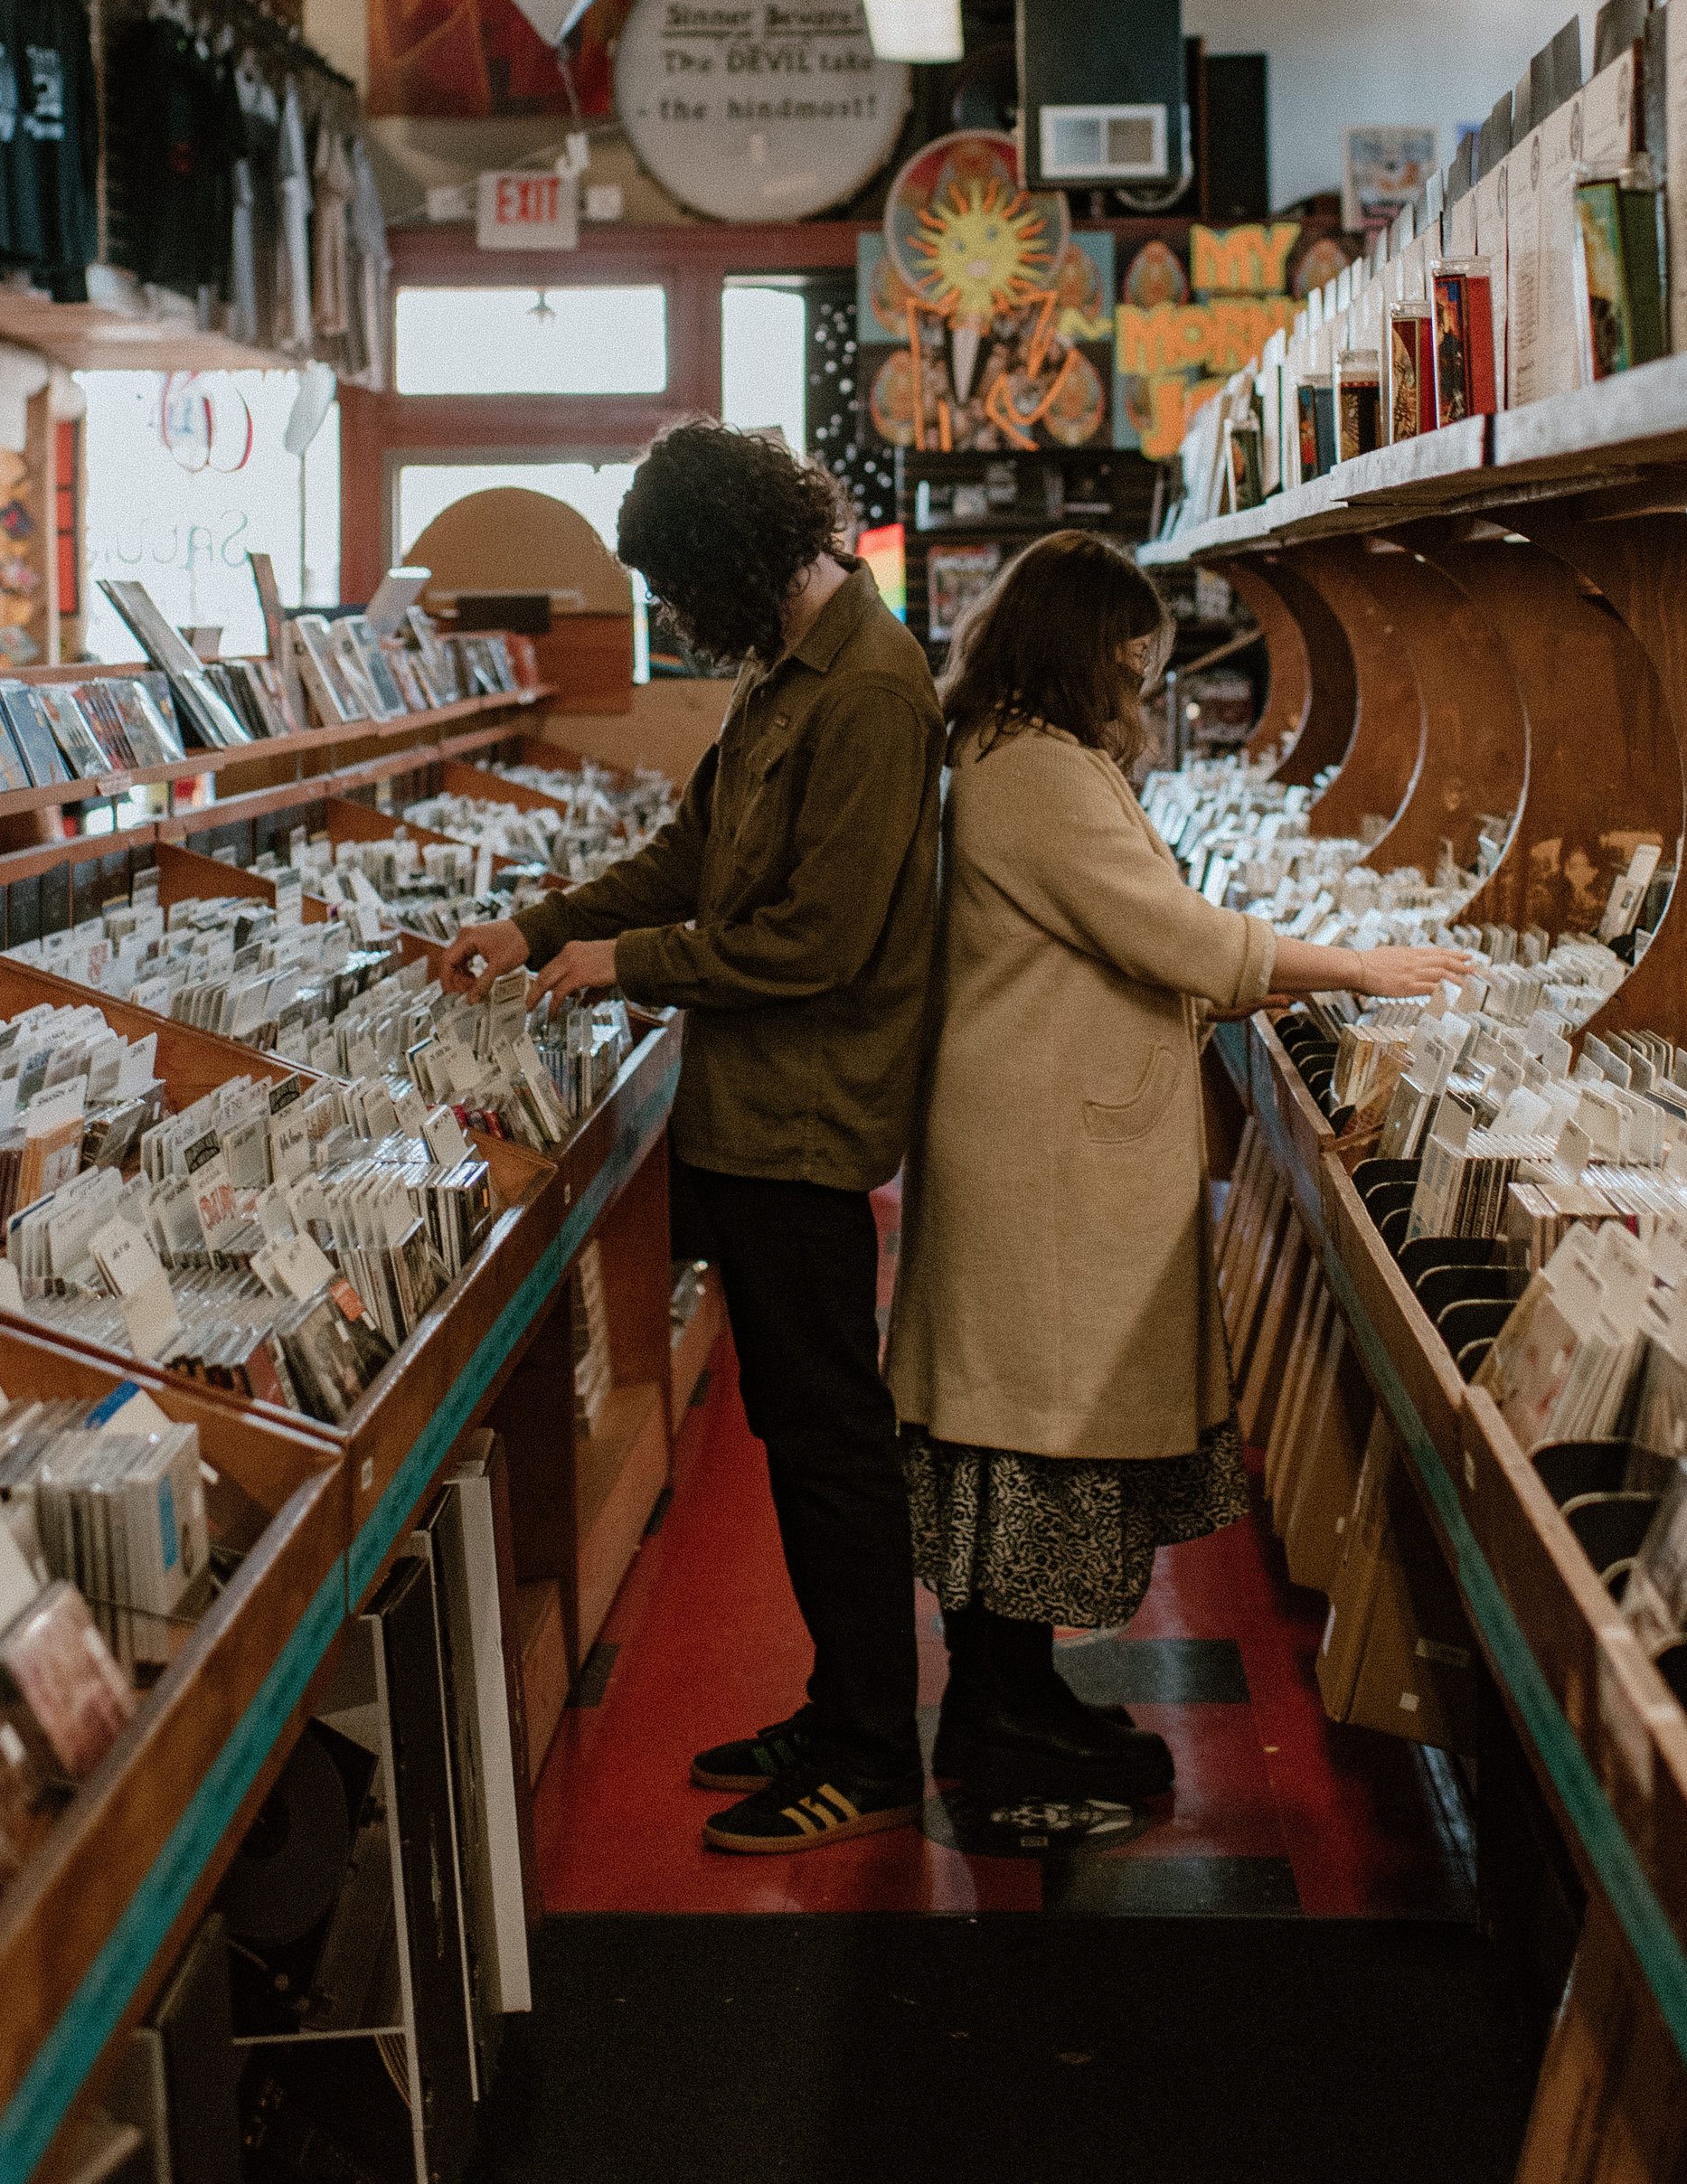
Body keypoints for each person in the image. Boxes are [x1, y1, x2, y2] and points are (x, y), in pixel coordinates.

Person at [884, 530, 1470, 1803]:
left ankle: (1019, 1695)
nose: (1141, 681)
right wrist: (1362, 967)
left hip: (1037, 1149)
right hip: (1040, 1169)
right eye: (1131, 657)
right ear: (1089, 648)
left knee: (1026, 1442)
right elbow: (1174, 932)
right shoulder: (1034, 771)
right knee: (1030, 1437)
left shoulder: (1009, 752)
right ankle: (994, 1723)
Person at [441, 420, 944, 1854]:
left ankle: (870, 1744)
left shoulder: (874, 690)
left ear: (728, 554)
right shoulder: (788, 674)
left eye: (673, 585)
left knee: (833, 1435)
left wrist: (630, 962)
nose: (670, 618)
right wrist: (539, 924)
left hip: (807, 1119)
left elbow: (819, 941)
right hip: (749, 1112)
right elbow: (694, 850)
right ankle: (835, 1701)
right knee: (797, 1428)